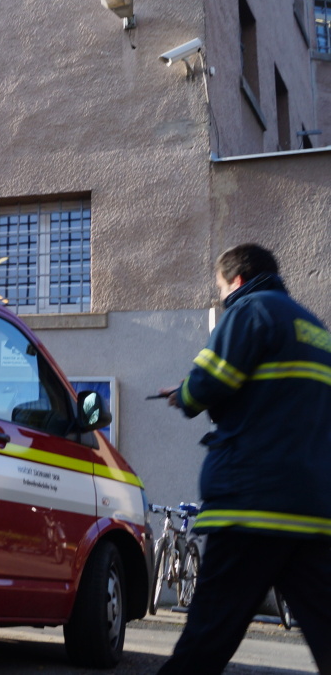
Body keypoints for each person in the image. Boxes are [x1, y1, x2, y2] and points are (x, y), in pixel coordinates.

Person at [155, 243, 331, 674]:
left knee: (206, 639)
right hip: (312, 510)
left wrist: (183, 394)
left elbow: (209, 382)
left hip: (250, 502)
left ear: (236, 280)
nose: (223, 297)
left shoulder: (250, 311)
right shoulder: (315, 329)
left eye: (221, 288)